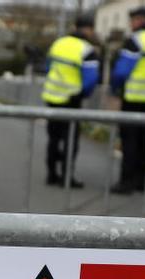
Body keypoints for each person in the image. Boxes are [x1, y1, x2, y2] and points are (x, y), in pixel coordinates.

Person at [110, 6, 145, 194]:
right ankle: (143, 182)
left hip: (132, 98)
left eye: (132, 20)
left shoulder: (135, 41)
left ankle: (126, 182)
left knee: (129, 142)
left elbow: (121, 71)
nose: (131, 24)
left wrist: (114, 87)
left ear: (139, 21)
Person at [41, 15, 99, 188]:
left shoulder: (58, 43)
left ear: (74, 27)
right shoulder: (87, 50)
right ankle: (66, 177)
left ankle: (51, 174)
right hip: (72, 100)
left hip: (52, 97)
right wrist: (82, 94)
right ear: (90, 29)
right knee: (70, 140)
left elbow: (47, 67)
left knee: (53, 138)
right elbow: (91, 78)